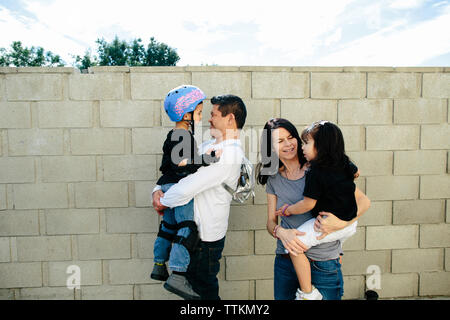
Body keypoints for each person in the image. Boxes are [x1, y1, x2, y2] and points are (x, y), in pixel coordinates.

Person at [256, 118, 371, 300]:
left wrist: (339, 223)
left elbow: (363, 201)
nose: (288, 144)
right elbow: (271, 222)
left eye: (291, 137)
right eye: (279, 141)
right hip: (286, 261)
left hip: (323, 261)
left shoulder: (320, 168)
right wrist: (281, 233)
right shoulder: (273, 179)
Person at [153, 94, 247, 300]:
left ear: (230, 118)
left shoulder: (229, 154)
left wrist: (163, 200)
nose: (209, 119)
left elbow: (186, 187)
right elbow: (174, 171)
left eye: (213, 114)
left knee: (204, 296)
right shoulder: (206, 146)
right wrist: (157, 189)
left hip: (204, 241)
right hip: (190, 236)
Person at [151, 85, 221, 300]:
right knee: (186, 228)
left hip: (166, 185)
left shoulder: (175, 134)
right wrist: (207, 160)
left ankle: (159, 265)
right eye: (198, 112)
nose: (200, 117)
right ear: (185, 114)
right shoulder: (182, 135)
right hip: (177, 186)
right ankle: (179, 274)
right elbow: (181, 164)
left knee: (168, 227)